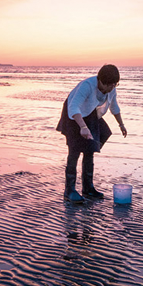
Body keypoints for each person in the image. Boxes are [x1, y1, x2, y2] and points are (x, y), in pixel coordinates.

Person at [56, 64, 127, 202]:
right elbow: (73, 106)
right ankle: (69, 191)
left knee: (90, 148)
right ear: (101, 81)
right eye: (109, 85)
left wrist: (121, 124)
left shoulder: (111, 89)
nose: (111, 88)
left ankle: (88, 188)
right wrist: (82, 127)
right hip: (73, 114)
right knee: (74, 151)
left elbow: (114, 106)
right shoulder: (87, 86)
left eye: (114, 85)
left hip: (89, 113)